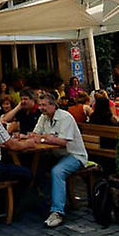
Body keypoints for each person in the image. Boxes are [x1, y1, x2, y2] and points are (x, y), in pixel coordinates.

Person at [29, 95, 89, 228]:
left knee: (57, 172)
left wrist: (44, 139)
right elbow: (34, 135)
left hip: (74, 155)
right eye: (40, 105)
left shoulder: (65, 117)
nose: (41, 108)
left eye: (44, 105)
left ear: (53, 105)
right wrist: (47, 138)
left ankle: (58, 212)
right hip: (56, 155)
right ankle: (44, 201)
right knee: (34, 168)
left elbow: (62, 142)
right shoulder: (43, 118)